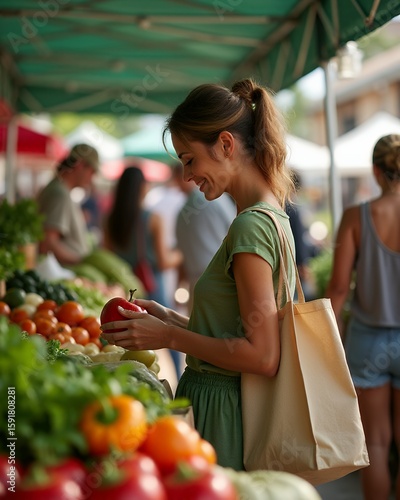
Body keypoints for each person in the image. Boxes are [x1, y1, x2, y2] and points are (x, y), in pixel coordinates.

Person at [100, 79, 296, 470]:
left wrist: (170, 336)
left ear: (226, 144)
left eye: (190, 159)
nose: (187, 176)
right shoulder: (268, 215)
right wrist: (168, 317)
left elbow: (263, 355)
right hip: (229, 405)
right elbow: (235, 332)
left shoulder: (250, 226)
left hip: (226, 416)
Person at [325, 134, 400, 500]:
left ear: (375, 170)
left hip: (367, 341)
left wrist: (327, 339)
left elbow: (338, 288)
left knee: (377, 444)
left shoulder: (356, 216)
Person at [103, 165, 183, 308]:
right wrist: (181, 254)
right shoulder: (153, 219)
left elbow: (107, 255)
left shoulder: (109, 219)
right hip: (151, 292)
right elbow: (163, 262)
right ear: (142, 187)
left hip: (121, 289)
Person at [174, 162, 236, 312]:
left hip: (197, 283)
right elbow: (234, 231)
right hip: (222, 282)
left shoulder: (183, 212)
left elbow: (182, 257)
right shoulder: (217, 200)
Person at [37, 143, 99, 265]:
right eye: (92, 171)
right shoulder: (59, 194)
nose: (92, 178)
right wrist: (82, 262)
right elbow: (48, 243)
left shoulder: (59, 190)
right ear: (80, 165)